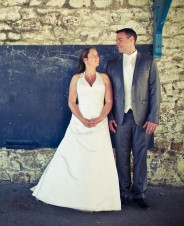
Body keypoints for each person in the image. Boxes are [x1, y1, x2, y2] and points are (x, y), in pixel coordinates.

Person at [31, 47, 121, 212]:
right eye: (93, 55)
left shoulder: (105, 78)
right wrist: (82, 119)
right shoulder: (76, 79)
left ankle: (98, 198)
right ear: (85, 59)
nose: (97, 57)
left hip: (99, 123)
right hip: (80, 122)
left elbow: (109, 101)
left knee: (99, 160)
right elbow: (72, 102)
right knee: (74, 157)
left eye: (97, 55)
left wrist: (101, 118)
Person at [106, 28, 161, 209]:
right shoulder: (112, 64)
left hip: (143, 119)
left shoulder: (148, 62)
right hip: (120, 118)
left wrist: (153, 118)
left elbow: (155, 92)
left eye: (120, 39)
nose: (117, 43)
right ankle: (124, 193)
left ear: (131, 40)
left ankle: (139, 193)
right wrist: (111, 116)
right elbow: (108, 94)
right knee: (121, 157)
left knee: (140, 156)